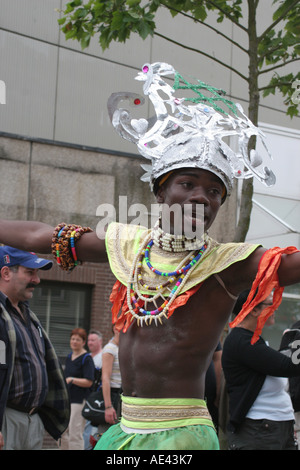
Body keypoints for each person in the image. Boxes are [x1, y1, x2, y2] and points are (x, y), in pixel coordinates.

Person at [0, 62, 300, 450]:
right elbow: (43, 236)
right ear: (161, 193)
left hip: (183, 433)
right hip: (124, 429)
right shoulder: (127, 246)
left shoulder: (228, 263)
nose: (200, 196)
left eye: (214, 192)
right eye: (187, 183)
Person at [0, 246, 70, 450]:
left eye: (37, 273)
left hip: (33, 420)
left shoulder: (27, 315)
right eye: (30, 272)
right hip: (7, 420)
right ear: (5, 273)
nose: (37, 280)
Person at [222, 289, 300, 450]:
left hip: (274, 427)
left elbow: (282, 365)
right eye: (271, 304)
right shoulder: (242, 341)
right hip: (259, 430)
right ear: (254, 310)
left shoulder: (255, 341)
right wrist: (295, 341)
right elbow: (289, 366)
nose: (276, 308)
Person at [61, 327, 95, 450]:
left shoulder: (87, 359)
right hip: (67, 400)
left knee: (75, 434)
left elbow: (89, 382)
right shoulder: (69, 357)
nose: (74, 341)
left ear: (83, 342)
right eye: (73, 339)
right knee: (61, 432)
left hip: (79, 401)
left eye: (78, 339)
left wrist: (72, 380)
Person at [83, 329, 103, 449]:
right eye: (89, 340)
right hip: (85, 398)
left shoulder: (103, 357)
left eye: (93, 340)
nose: (90, 343)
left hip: (96, 400)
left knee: (92, 429)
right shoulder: (86, 357)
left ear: (100, 341)